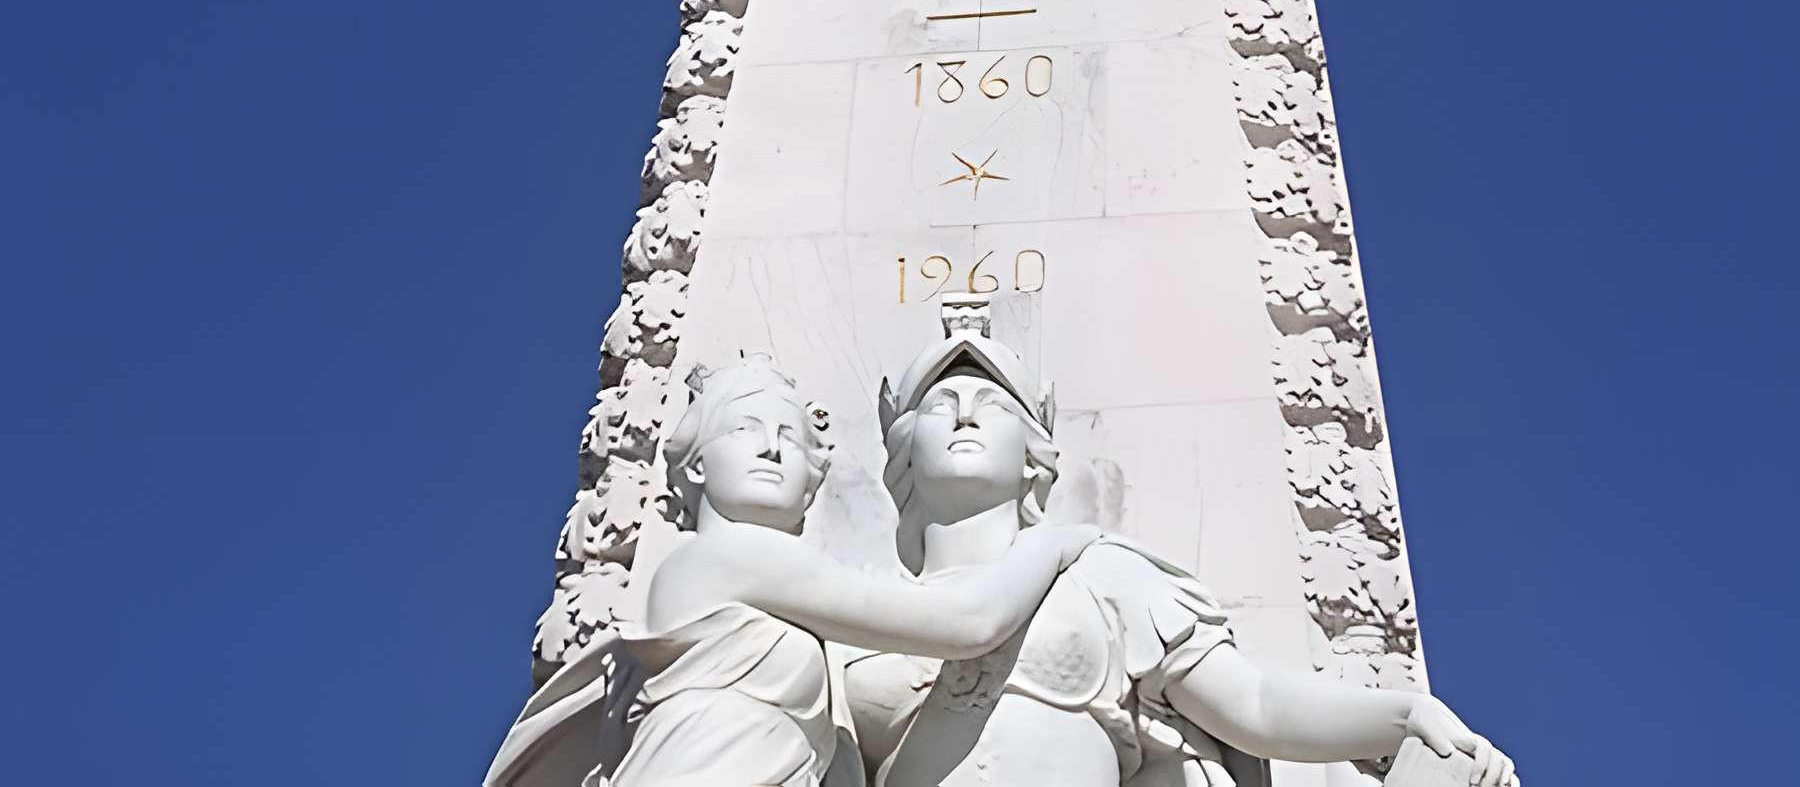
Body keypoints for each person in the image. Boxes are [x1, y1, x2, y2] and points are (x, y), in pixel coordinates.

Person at [843, 322, 1518, 787]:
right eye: (942, 406)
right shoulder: (846, 612)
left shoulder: (1101, 576)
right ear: (902, 451)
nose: (964, 416)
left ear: (1032, 458)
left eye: (991, 405)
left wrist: (1402, 715)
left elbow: (1253, 706)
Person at [482, 353, 1098, 787]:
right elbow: (967, 623)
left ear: (813, 479)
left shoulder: (784, 602)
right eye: (743, 430)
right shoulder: (724, 560)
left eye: (789, 436)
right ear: (695, 467)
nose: (772, 448)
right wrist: (1058, 546)